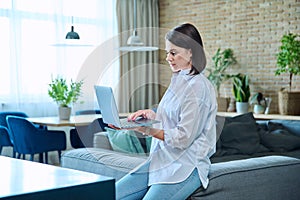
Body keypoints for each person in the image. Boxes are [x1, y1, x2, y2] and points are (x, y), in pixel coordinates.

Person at [115, 23, 217, 200]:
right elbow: (172, 118)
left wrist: (148, 130)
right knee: (109, 194)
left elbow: (183, 138)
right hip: (161, 161)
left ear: (191, 51)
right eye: (167, 52)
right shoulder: (178, 80)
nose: (168, 58)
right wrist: (152, 117)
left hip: (184, 167)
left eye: (173, 53)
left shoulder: (198, 87)